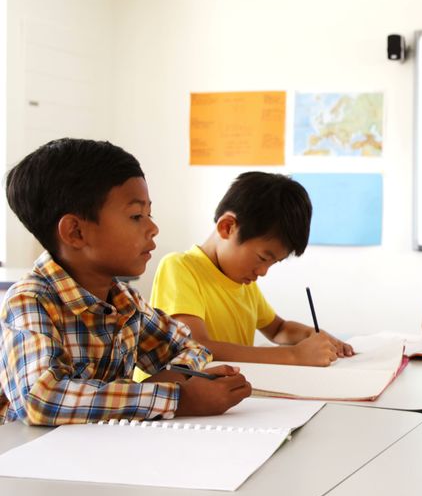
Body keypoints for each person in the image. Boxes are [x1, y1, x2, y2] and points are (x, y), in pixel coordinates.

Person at [0, 138, 251, 425]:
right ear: (76, 232)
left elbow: (191, 345)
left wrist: (182, 380)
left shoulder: (124, 301)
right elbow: (41, 400)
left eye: (149, 213)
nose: (153, 228)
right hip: (28, 461)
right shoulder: (31, 301)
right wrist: (179, 399)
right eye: (136, 216)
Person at [150, 171, 353, 367]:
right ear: (227, 227)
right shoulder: (180, 268)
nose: (264, 272)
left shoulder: (243, 282)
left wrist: (311, 336)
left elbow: (279, 330)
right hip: (170, 398)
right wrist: (293, 355)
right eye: (263, 258)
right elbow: (195, 347)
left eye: (273, 263)